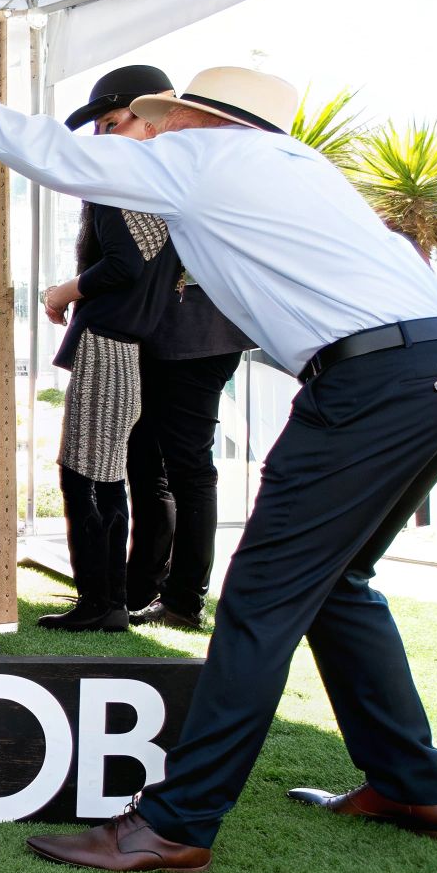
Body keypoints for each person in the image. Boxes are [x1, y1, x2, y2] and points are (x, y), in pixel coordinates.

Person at [0, 59, 437, 871]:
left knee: (263, 600)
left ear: (204, 120)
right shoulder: (300, 169)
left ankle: (176, 823)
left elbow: (57, 158)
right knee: (339, 584)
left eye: (161, 119)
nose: (151, 130)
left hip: (375, 380)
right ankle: (415, 785)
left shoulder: (206, 160)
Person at [37, 64, 183, 633]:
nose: (103, 138)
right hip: (138, 343)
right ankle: (107, 600)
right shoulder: (167, 192)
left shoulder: (117, 186)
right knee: (106, 474)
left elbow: (124, 263)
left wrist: (62, 292)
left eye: (111, 123)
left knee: (85, 475)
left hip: (109, 341)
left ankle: (101, 604)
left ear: (150, 119)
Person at [124, 260, 256, 632]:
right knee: (148, 461)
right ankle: (141, 589)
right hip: (177, 332)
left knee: (188, 469)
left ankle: (183, 600)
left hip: (198, 335)